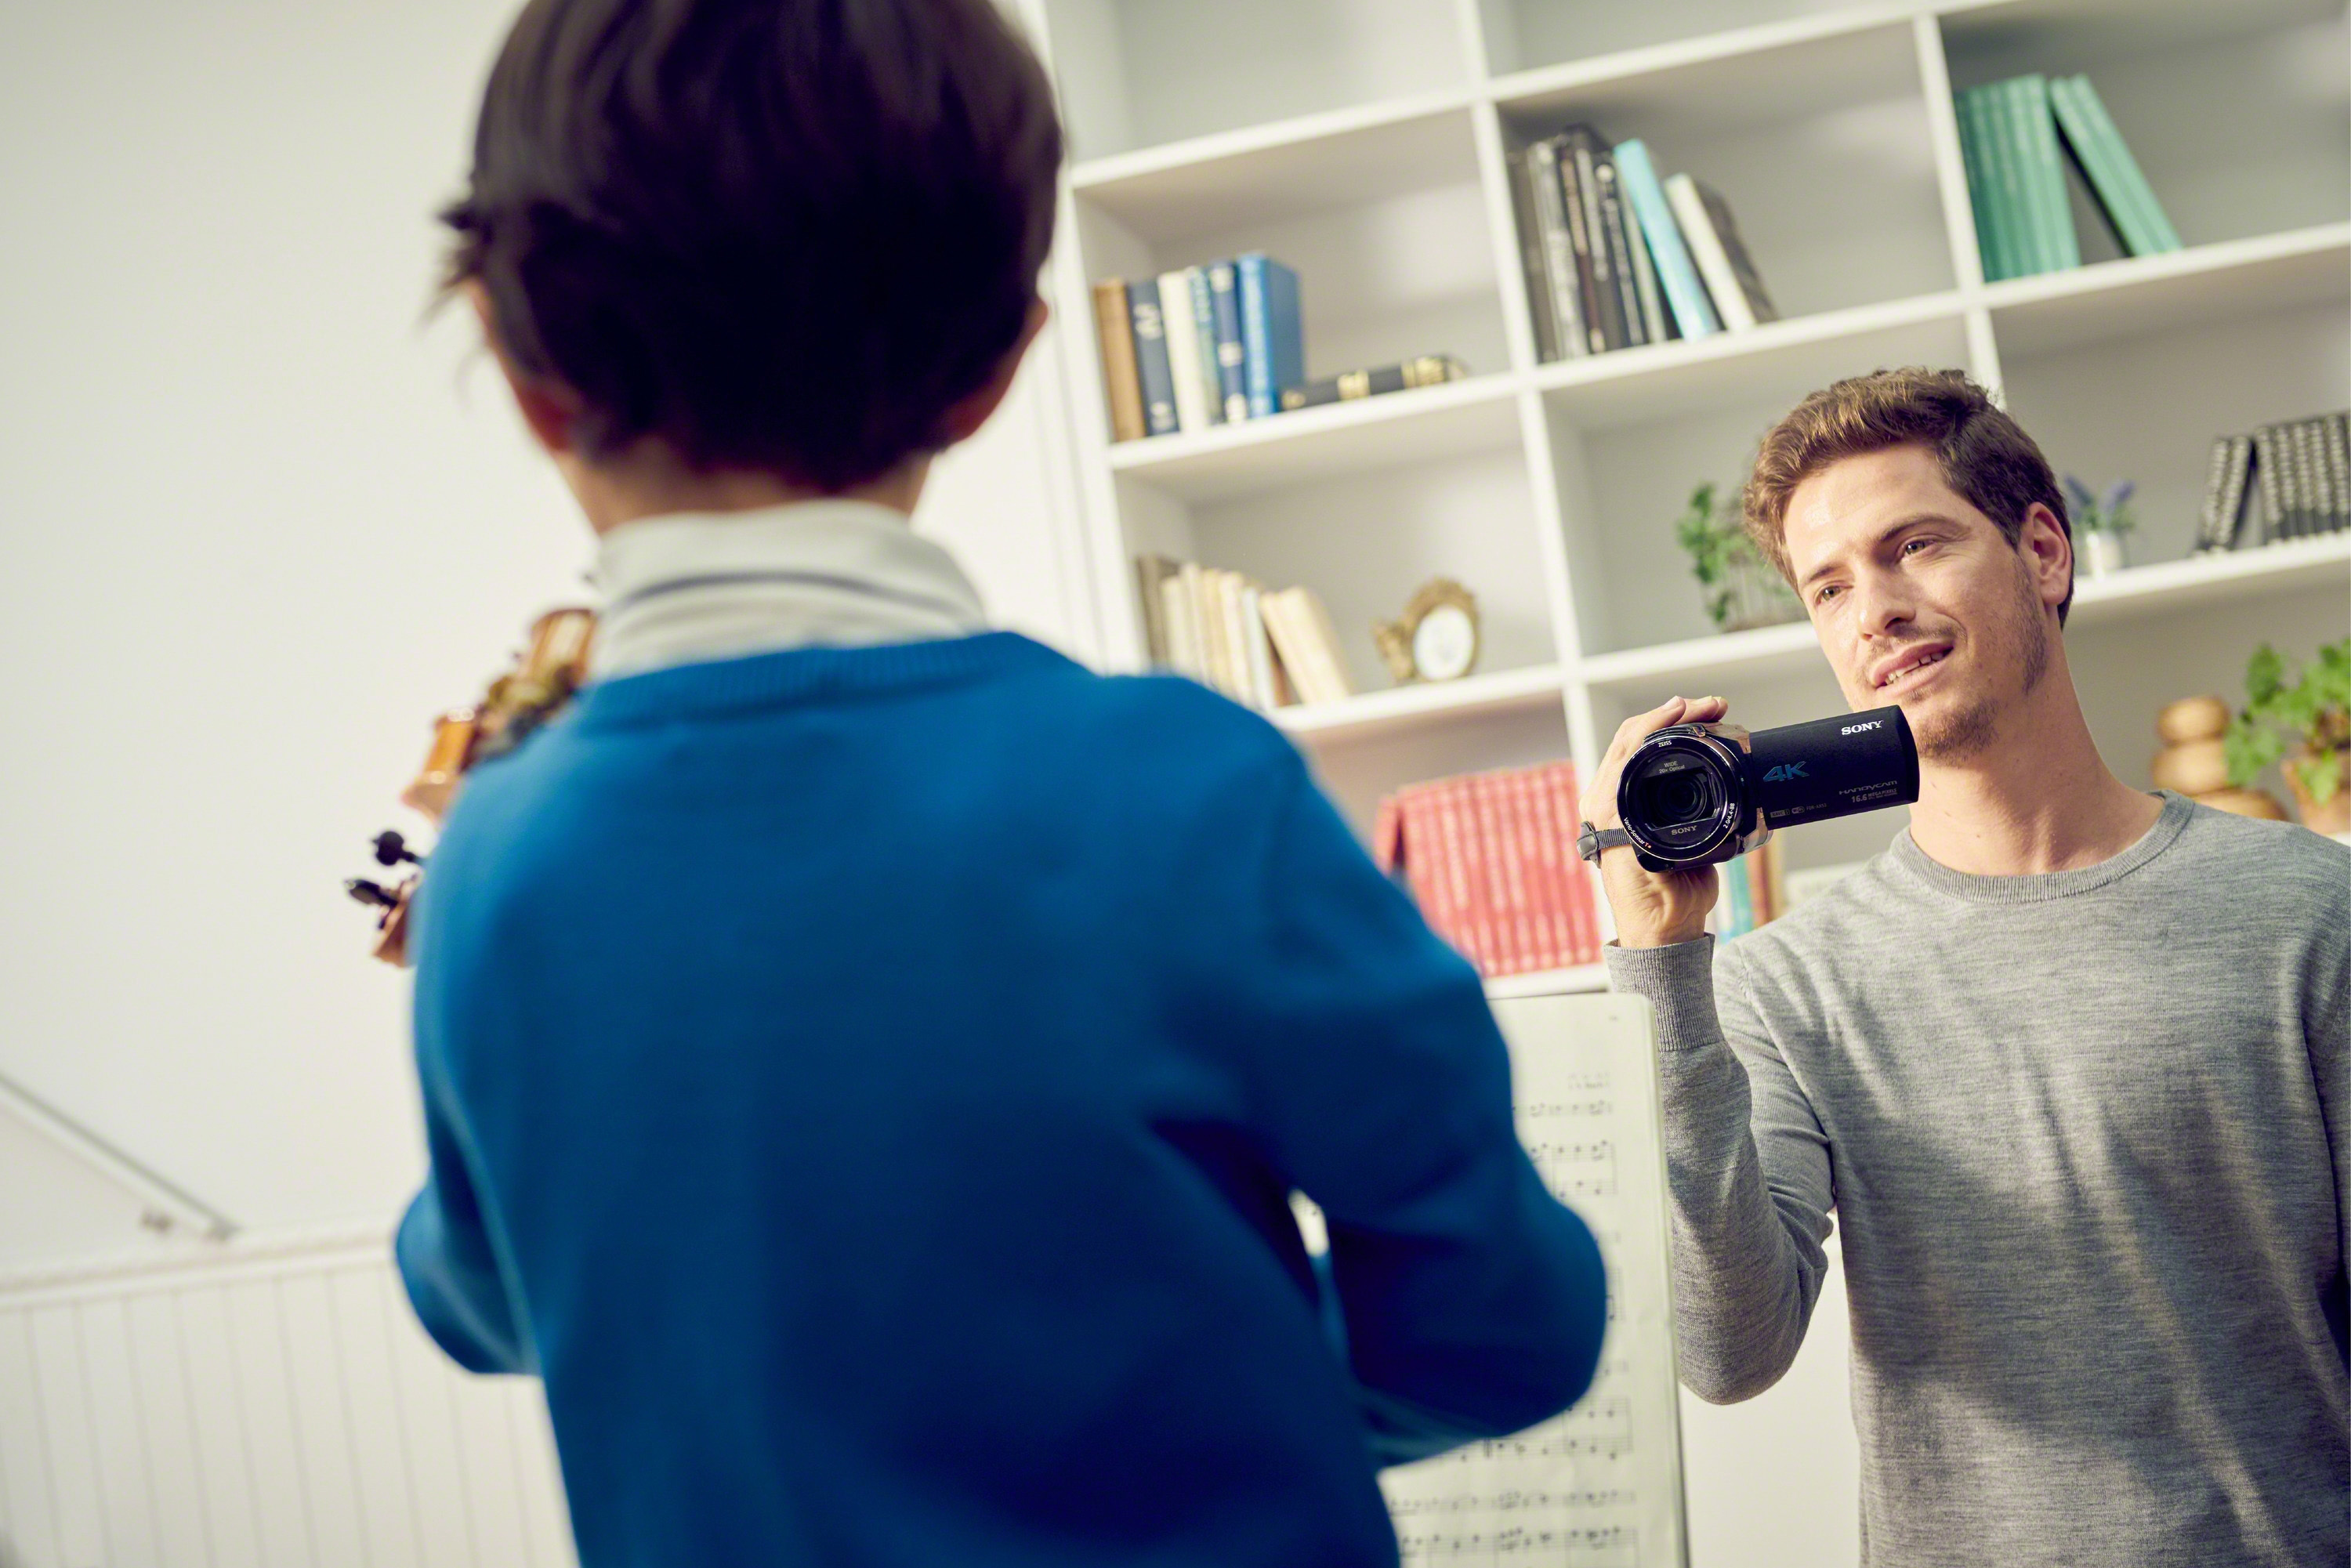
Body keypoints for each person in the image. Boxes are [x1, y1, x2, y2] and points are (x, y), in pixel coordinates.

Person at [392, 2, 1607, 1564]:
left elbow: (480, 1294)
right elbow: (1506, 1328)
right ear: (998, 365)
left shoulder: (496, 861)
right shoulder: (1188, 792)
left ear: (515, 359)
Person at [1580, 366, 2349, 1566]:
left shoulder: (2310, 911)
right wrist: (1661, 961)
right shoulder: (1787, 986)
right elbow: (1728, 1354)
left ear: (2043, 551)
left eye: (1915, 547)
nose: (1872, 609)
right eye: (1829, 586)